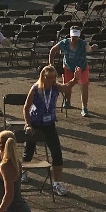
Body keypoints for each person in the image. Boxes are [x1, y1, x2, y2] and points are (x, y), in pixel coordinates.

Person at [22, 65, 77, 196]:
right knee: (28, 151)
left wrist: (75, 79)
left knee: (57, 153)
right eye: (48, 77)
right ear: (43, 76)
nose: (51, 80)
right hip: (35, 123)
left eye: (53, 77)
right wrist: (28, 124)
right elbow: (26, 108)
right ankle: (23, 173)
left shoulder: (55, 87)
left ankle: (57, 183)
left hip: (50, 124)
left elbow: (67, 87)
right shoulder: (35, 88)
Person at [49, 26, 93, 116]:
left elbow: (88, 48)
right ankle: (67, 101)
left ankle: (84, 108)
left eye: (76, 36)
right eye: (73, 36)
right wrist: (51, 64)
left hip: (82, 68)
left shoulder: (83, 43)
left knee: (84, 86)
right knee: (67, 86)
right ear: (70, 35)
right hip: (68, 67)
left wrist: (92, 48)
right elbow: (52, 51)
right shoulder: (64, 43)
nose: (74, 38)